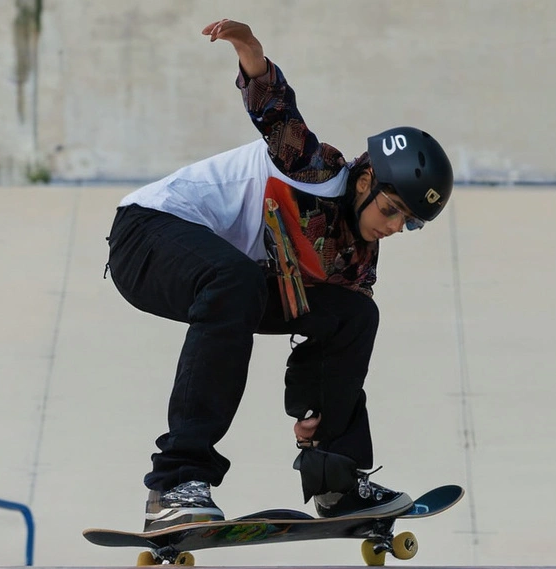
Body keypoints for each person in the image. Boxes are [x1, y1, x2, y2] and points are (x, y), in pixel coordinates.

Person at [105, 19, 454, 532]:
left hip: (223, 284)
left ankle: (336, 479)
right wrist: (250, 51)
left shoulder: (357, 258)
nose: (396, 227)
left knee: (355, 314)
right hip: (146, 238)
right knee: (236, 279)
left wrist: (316, 414)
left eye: (410, 223)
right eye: (393, 210)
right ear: (364, 180)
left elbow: (331, 342)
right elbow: (275, 111)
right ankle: (176, 482)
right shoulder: (317, 168)